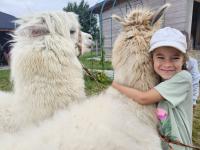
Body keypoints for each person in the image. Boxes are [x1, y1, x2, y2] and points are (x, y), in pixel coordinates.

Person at [112, 27, 193, 150]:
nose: (167, 64)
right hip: (162, 143)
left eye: (175, 58)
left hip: (179, 146)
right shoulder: (159, 79)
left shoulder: (183, 78)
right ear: (152, 59)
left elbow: (143, 98)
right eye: (160, 57)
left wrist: (115, 85)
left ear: (184, 60)